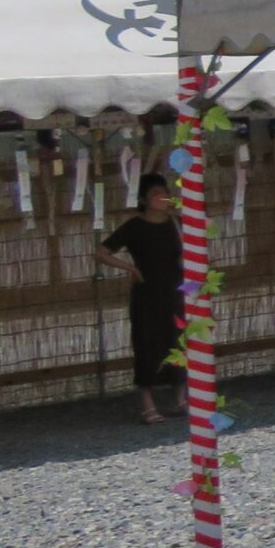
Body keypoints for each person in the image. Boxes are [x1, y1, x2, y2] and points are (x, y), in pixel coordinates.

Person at [96, 172, 184, 425]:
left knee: (178, 342)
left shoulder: (177, 223)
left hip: (175, 291)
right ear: (144, 199)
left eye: (165, 193)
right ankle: (148, 404)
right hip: (147, 294)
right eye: (156, 194)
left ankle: (180, 398)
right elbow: (101, 252)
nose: (163, 198)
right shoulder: (134, 226)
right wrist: (130, 268)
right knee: (147, 345)